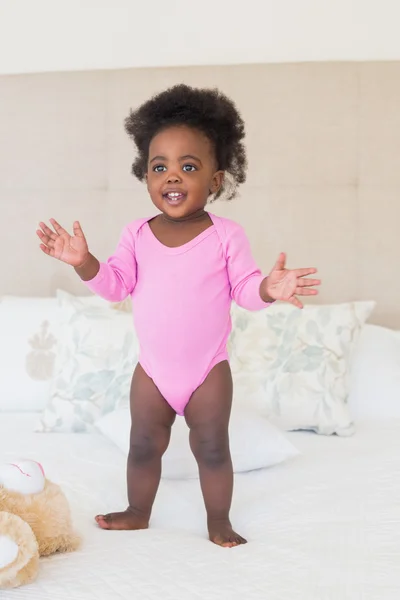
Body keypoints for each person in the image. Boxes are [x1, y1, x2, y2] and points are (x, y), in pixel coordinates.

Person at [37, 84, 320, 548]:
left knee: (211, 448)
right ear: (146, 176)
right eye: (159, 167)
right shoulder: (136, 233)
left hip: (208, 370)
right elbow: (115, 285)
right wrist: (84, 262)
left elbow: (245, 291)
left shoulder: (226, 235)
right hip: (152, 371)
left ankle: (219, 521)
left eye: (188, 167)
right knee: (144, 445)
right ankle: (137, 511)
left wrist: (269, 288)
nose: (172, 177)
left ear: (215, 180)